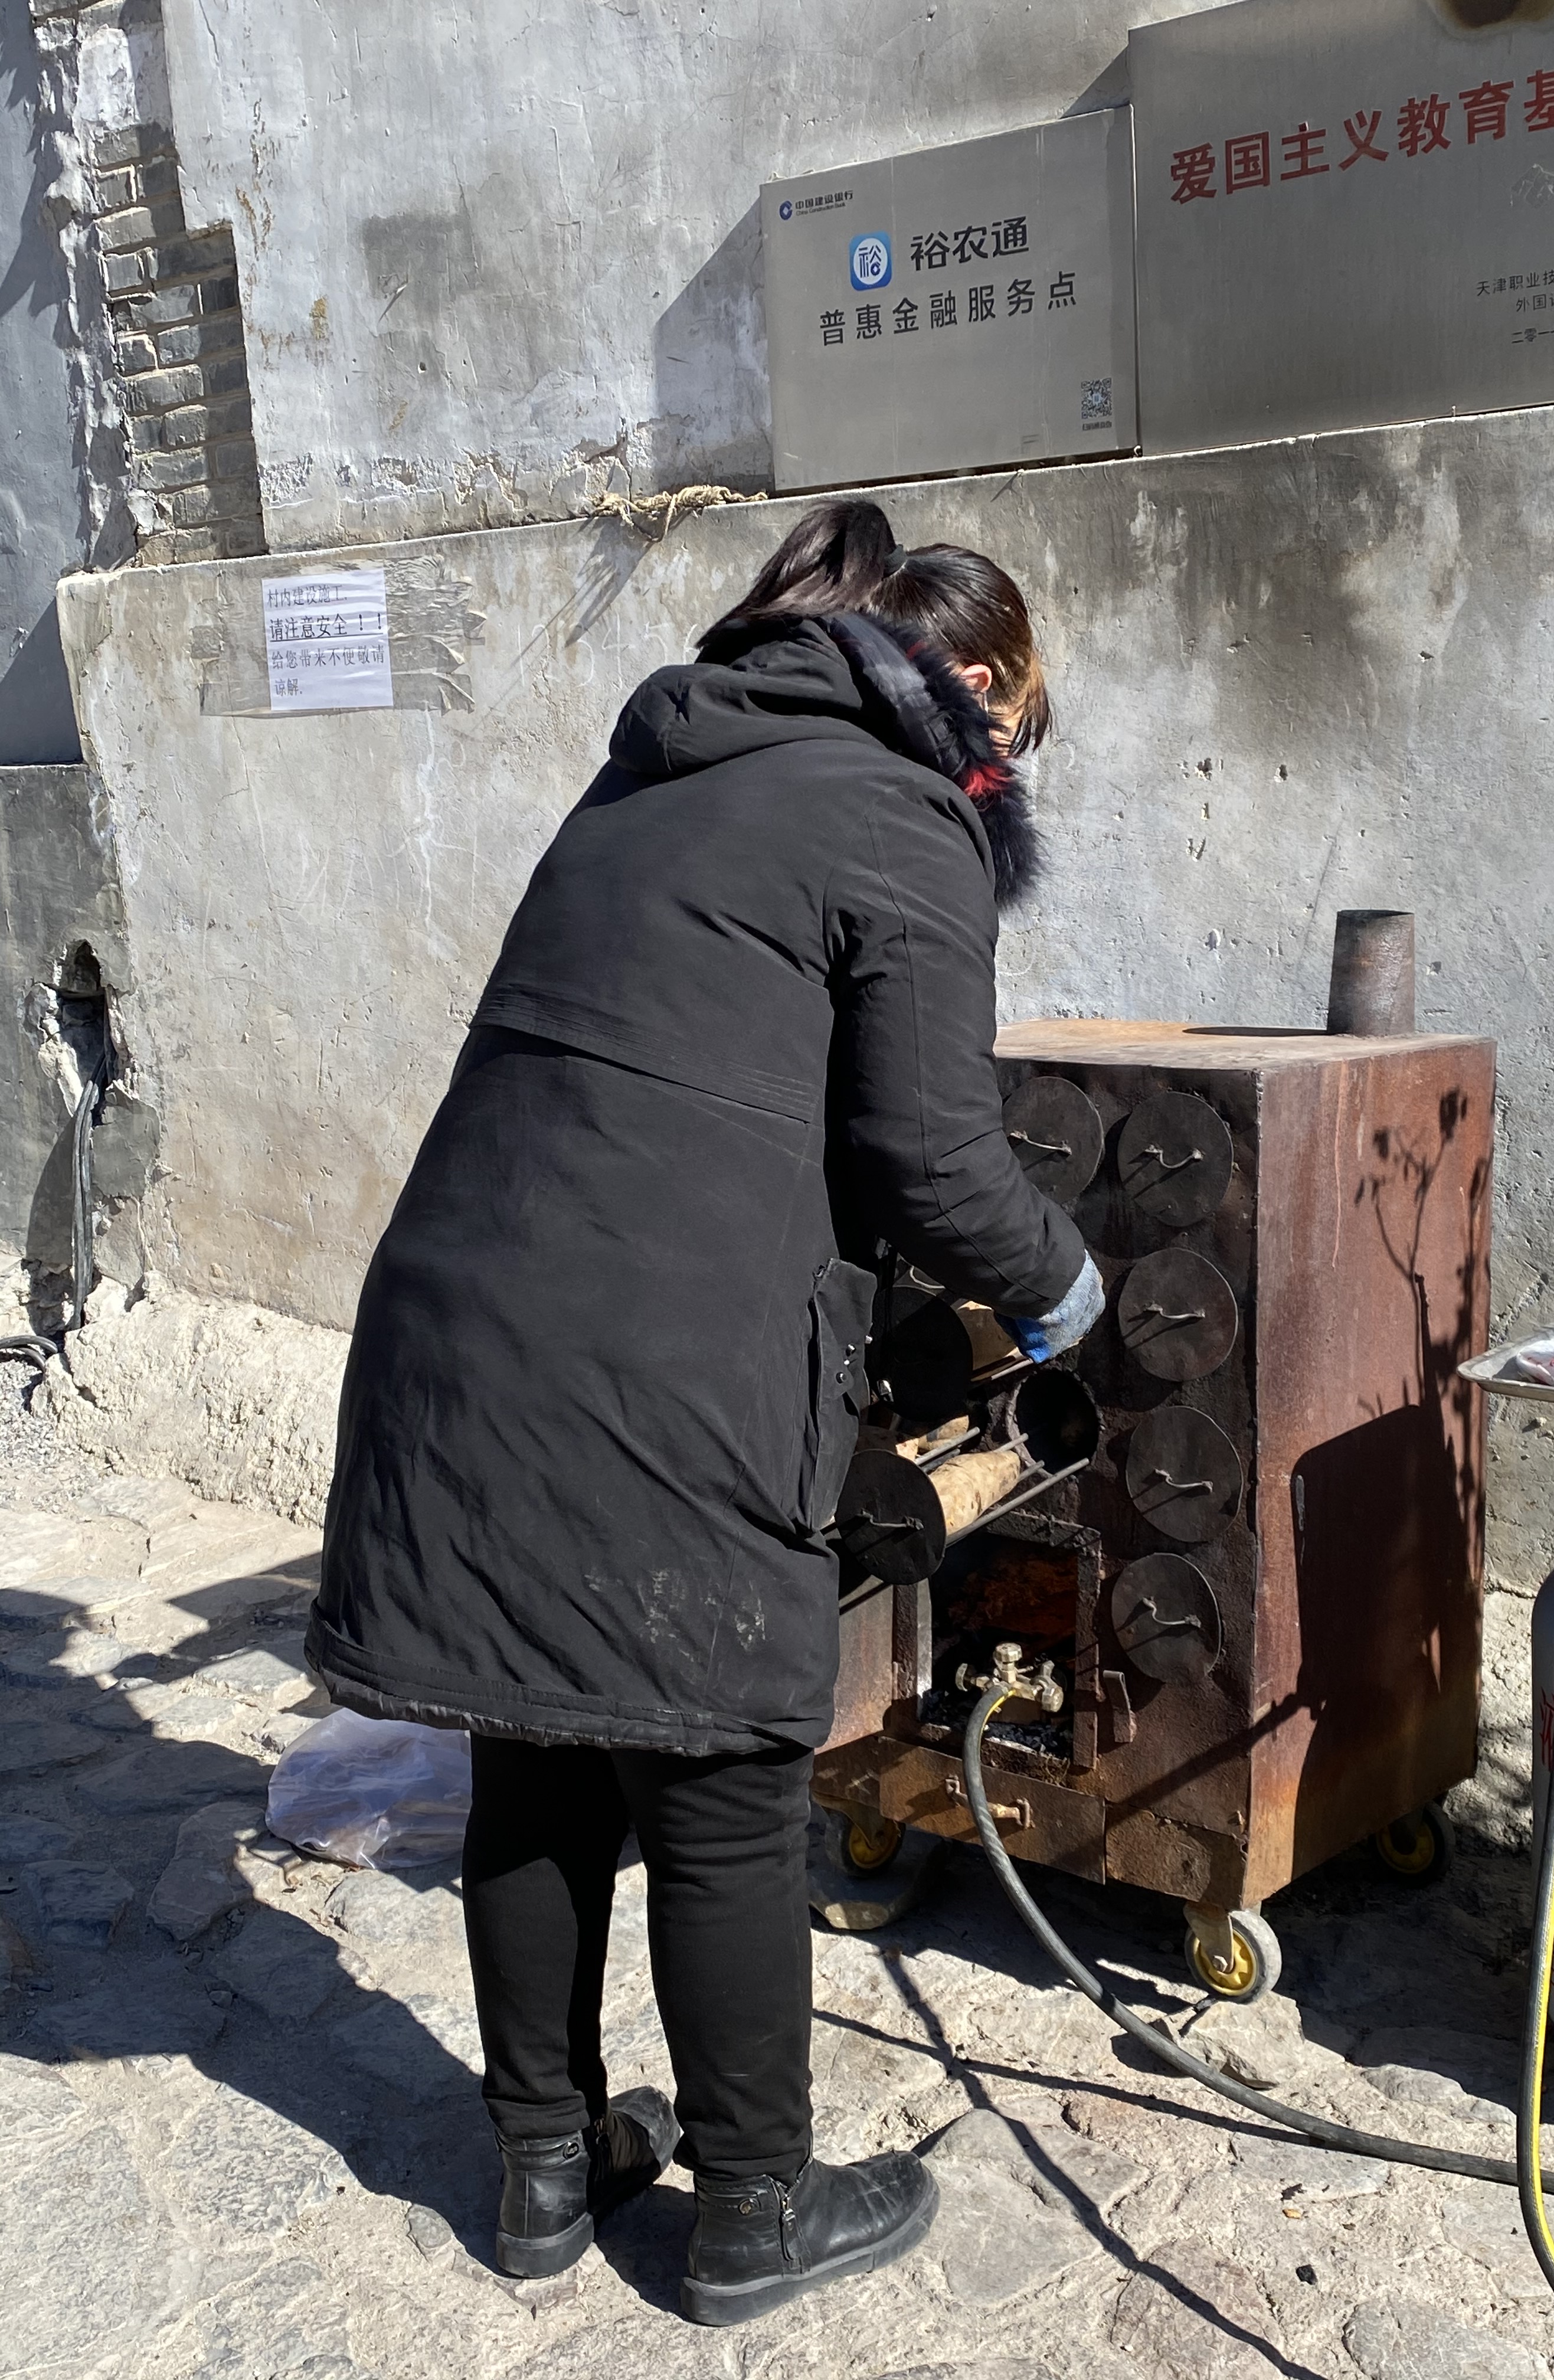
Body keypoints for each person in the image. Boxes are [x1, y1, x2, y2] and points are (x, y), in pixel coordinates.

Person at [306, 497, 1105, 2325]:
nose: (1012, 766)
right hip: (651, 1361)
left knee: (534, 1742)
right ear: (974, 690)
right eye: (1021, 731)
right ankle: (754, 2205)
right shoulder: (901, 808)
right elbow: (930, 1158)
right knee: (724, 1778)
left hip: (458, 1325)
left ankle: (542, 2167)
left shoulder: (643, 779)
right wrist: (1070, 1297)